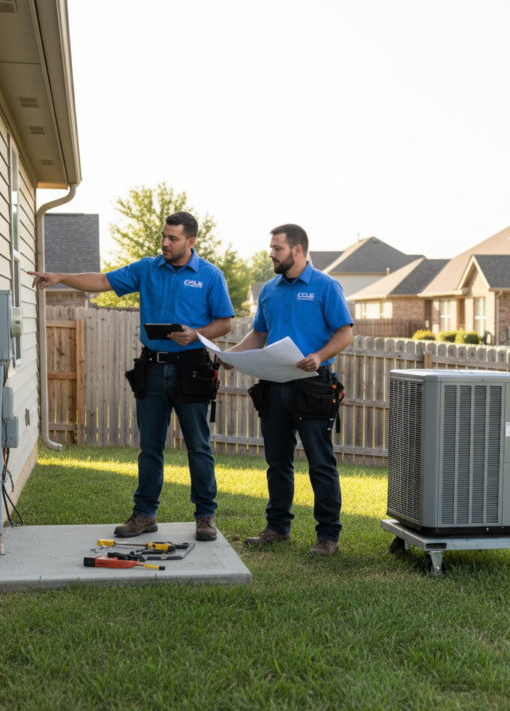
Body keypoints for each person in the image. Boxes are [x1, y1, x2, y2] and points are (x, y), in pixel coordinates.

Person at [29, 212, 234, 541]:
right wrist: (59, 276)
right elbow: (102, 281)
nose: (165, 243)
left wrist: (195, 334)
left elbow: (225, 322)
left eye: (173, 238)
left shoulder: (210, 276)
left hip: (192, 366)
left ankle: (205, 516)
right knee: (149, 446)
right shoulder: (147, 268)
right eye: (163, 236)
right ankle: (144, 514)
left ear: (191, 241)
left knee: (198, 445)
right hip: (151, 368)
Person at [222, 224, 353, 557]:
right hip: (274, 385)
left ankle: (328, 536)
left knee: (320, 463)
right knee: (277, 462)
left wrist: (319, 356)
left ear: (297, 250)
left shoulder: (326, 286)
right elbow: (258, 334)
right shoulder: (269, 289)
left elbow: (344, 332)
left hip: (312, 387)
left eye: (277, 248)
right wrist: (231, 356)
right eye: (271, 248)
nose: (271, 254)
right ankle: (278, 528)